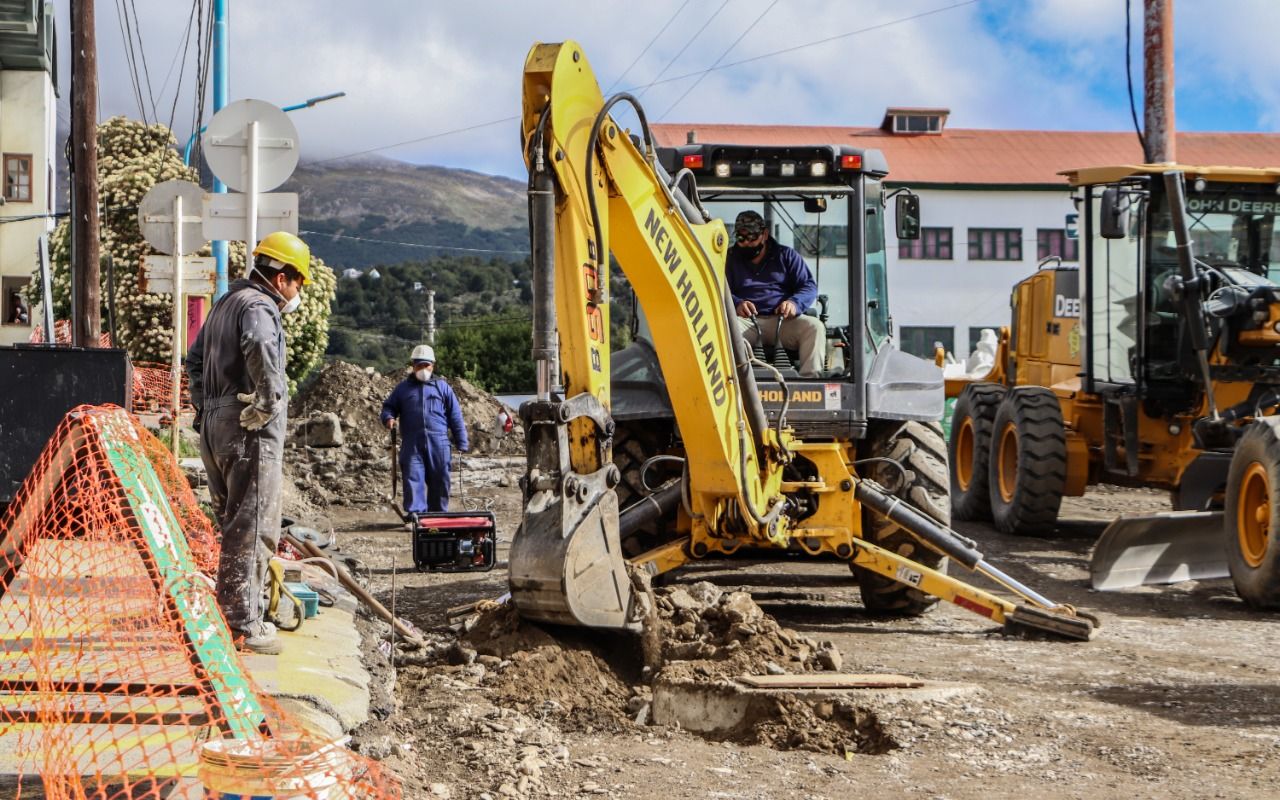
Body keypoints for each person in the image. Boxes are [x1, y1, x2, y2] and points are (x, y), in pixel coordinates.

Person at [186, 231, 311, 656]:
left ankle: (233, 613)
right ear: (281, 278)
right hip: (248, 429)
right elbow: (258, 344)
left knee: (233, 525)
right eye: (298, 283)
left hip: (218, 427)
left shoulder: (224, 304)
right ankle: (243, 623)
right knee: (253, 526)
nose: (297, 294)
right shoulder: (258, 306)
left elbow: (194, 360)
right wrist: (267, 399)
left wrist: (205, 411)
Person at [725, 210, 824, 378]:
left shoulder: (787, 256)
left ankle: (810, 383)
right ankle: (732, 383)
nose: (747, 244)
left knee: (814, 327)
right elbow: (718, 289)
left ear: (764, 235)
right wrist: (736, 303)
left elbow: (808, 286)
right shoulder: (728, 259)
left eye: (752, 238)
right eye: (742, 239)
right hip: (744, 323)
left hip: (783, 321)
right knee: (721, 330)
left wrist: (794, 303)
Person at [381, 344, 469, 516]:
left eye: (426, 365)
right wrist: (388, 418)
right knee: (413, 478)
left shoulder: (442, 388)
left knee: (440, 479)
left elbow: (455, 415)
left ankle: (438, 516)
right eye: (419, 365)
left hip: (439, 443)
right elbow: (388, 407)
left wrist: (462, 441)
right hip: (412, 443)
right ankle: (416, 516)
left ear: (433, 365)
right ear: (413, 366)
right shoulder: (402, 389)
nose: (423, 369)